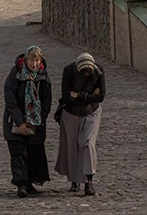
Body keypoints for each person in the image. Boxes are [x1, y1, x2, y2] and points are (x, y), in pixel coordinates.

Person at [3, 45, 51, 198]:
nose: (34, 64)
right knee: (18, 152)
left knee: (33, 152)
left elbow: (46, 102)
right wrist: (21, 122)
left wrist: (37, 120)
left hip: (35, 122)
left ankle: (30, 182)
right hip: (15, 121)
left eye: (37, 61)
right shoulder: (16, 73)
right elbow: (10, 99)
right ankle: (21, 184)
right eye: (32, 60)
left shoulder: (43, 76)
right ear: (26, 59)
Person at [54, 52, 106, 195]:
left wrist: (78, 95)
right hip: (71, 114)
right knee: (72, 147)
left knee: (87, 144)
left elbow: (101, 96)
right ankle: (74, 181)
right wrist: (90, 96)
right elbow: (66, 97)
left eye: (89, 72)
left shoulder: (99, 71)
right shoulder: (68, 71)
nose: (87, 75)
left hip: (92, 113)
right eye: (83, 72)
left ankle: (89, 182)